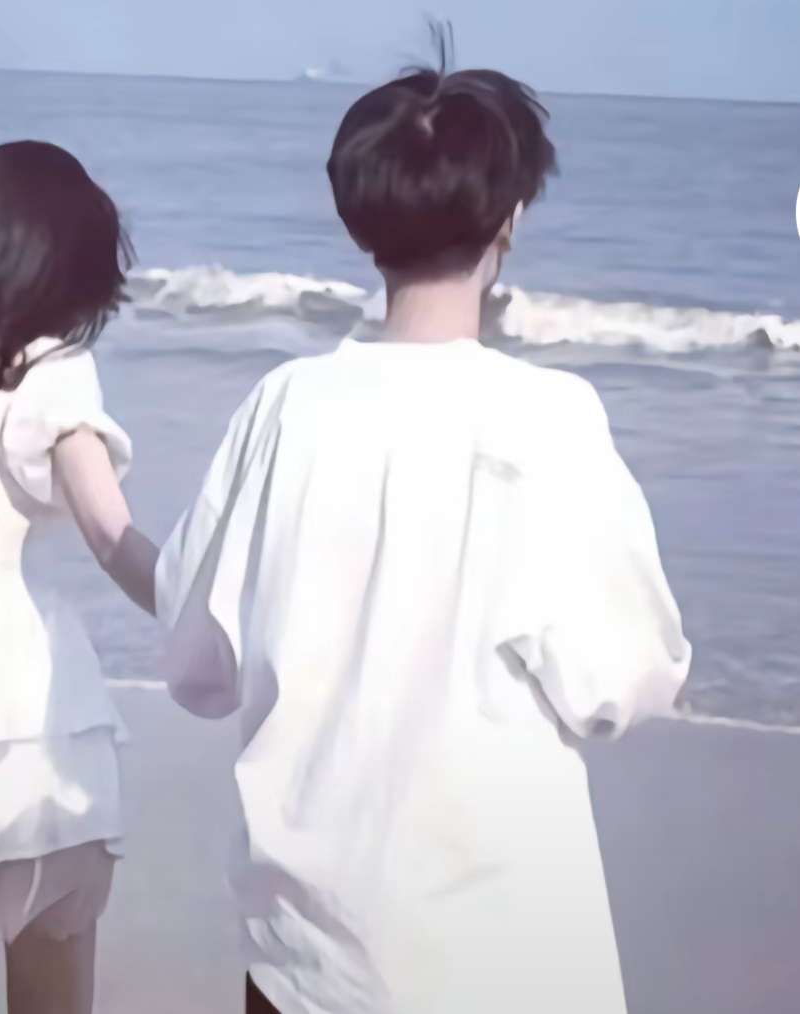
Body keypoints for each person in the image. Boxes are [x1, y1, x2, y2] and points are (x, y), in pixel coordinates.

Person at [155, 27, 691, 1014]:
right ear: (510, 216)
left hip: (303, 952)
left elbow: (196, 664)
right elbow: (619, 680)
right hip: (501, 946)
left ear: (359, 216)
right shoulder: (548, 417)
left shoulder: (283, 406)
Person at [0, 141, 158, 1014]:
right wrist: (201, 609)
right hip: (13, 685)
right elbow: (111, 536)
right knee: (50, 965)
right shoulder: (53, 377)